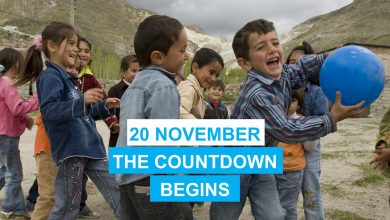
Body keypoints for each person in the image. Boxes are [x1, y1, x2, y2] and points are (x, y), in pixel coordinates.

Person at [210, 18, 364, 220]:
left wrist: (326, 58)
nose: (273, 50)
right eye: (261, 47)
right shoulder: (256, 94)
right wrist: (331, 118)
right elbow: (287, 130)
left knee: (274, 215)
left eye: (275, 43)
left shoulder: (280, 76)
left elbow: (300, 69)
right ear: (245, 63)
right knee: (224, 216)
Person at [31, 21, 120, 219]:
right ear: (52, 46)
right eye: (70, 44)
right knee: (67, 207)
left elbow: (83, 114)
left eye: (76, 45)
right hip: (72, 152)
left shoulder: (70, 80)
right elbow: (50, 111)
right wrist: (82, 101)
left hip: (92, 150)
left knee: (117, 192)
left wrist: (103, 106)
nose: (76, 50)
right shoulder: (51, 77)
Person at [115, 15, 193, 220]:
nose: (186, 56)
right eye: (182, 50)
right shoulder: (164, 86)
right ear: (158, 57)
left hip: (127, 177)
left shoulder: (135, 85)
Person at [23, 50, 99, 219]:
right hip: (48, 149)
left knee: (59, 197)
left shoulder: (70, 90)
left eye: (76, 71)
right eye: (70, 69)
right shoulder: (54, 86)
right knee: (48, 197)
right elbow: (49, 114)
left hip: (61, 150)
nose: (74, 74)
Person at [287, 41, 329, 219]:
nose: (298, 66)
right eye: (293, 62)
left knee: (311, 191)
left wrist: (306, 124)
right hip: (286, 147)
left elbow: (323, 121)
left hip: (309, 147)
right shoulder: (281, 89)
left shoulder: (317, 91)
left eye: (303, 62)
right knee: (286, 195)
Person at [0, 48, 38, 219]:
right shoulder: (7, 83)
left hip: (2, 134)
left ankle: (16, 208)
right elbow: (16, 107)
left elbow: (9, 107)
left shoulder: (2, 82)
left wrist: (25, 118)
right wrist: (37, 99)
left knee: (4, 170)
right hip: (7, 135)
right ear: (16, 63)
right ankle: (11, 209)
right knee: (14, 174)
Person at [275, 89, 315, 220]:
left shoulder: (302, 122)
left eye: (292, 101)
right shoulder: (272, 120)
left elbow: (309, 147)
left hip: (292, 172)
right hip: (272, 171)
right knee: (272, 207)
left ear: (298, 104)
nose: (287, 103)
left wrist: (311, 132)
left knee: (287, 206)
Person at [177, 47, 224, 119]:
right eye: (211, 72)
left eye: (216, 75)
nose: (214, 79)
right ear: (195, 67)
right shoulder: (189, 88)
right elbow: (177, 110)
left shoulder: (197, 89)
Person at [107, 55, 139, 147]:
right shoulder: (115, 90)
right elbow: (111, 117)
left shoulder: (144, 90)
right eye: (134, 71)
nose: (137, 74)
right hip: (119, 140)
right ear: (123, 72)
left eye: (140, 71)